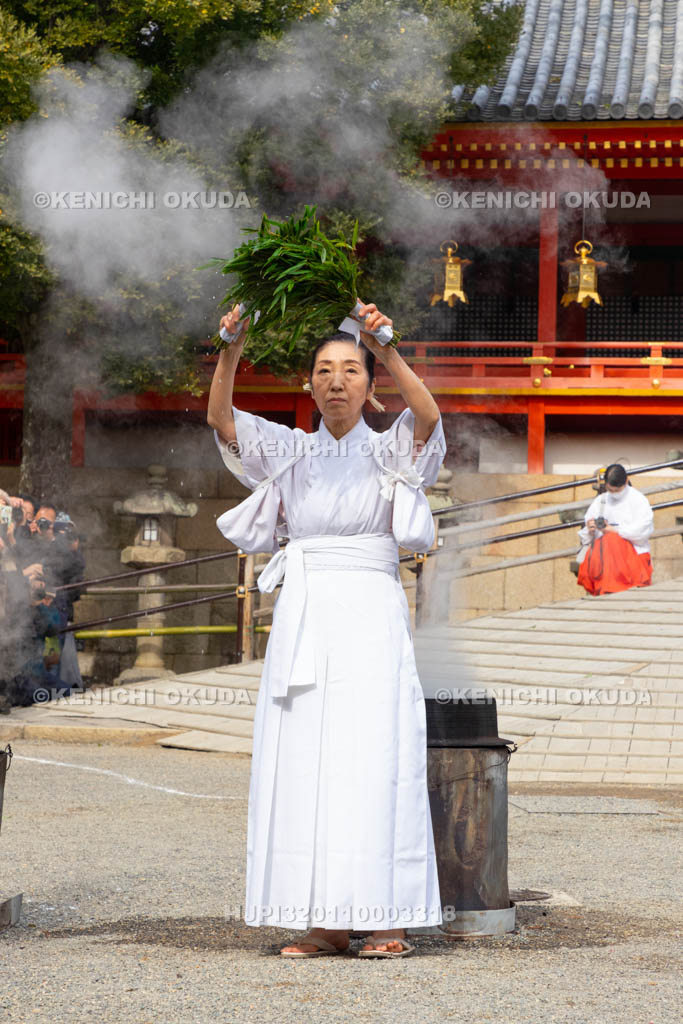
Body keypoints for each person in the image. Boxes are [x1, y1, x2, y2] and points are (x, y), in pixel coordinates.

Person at [208, 301, 446, 959]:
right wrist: (231, 347)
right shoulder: (289, 451)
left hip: (370, 612)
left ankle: (387, 917)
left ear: (369, 387)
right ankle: (324, 920)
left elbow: (428, 416)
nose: (336, 381)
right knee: (307, 759)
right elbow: (222, 419)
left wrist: (386, 347)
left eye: (350, 370)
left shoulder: (390, 448)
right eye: (323, 371)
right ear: (309, 386)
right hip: (306, 615)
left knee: (374, 756)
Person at [577, 463, 654, 596]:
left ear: (626, 481)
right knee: (608, 541)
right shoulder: (601, 501)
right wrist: (590, 529)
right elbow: (586, 538)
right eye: (610, 490)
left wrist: (614, 531)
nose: (614, 494)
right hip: (603, 557)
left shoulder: (638, 500)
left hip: (630, 555)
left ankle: (610, 588)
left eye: (618, 490)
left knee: (611, 540)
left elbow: (642, 533)